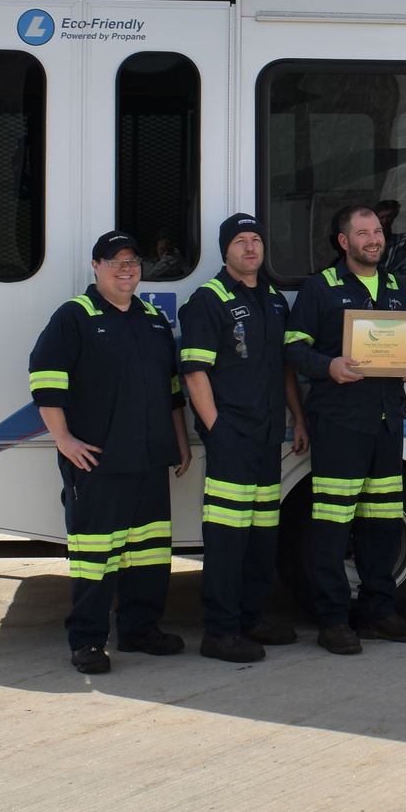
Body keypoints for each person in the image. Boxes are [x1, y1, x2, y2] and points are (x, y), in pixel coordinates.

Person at [27, 230, 192, 674]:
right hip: (98, 463)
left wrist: (178, 441)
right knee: (94, 557)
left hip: (151, 459)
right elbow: (46, 380)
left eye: (133, 261)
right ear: (96, 267)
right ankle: (87, 641)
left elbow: (172, 390)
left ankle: (140, 630)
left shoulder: (154, 319)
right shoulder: (74, 316)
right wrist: (64, 440)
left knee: (150, 554)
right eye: (115, 261)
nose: (126, 269)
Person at [284, 205, 406, 655]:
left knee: (383, 523)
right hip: (340, 424)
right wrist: (327, 365)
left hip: (387, 420)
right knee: (332, 525)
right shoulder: (320, 288)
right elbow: (293, 348)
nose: (374, 239)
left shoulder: (394, 287)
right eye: (363, 233)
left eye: (378, 232)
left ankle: (378, 613)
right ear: (343, 242)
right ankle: (332, 621)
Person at [179, 212, 311, 663]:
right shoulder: (207, 300)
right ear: (226, 250)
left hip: (268, 437)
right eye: (241, 241)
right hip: (232, 436)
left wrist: (299, 417)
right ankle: (219, 631)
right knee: (226, 538)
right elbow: (194, 371)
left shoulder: (274, 300)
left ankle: (249, 618)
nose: (251, 248)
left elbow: (285, 367)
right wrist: (217, 427)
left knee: (261, 536)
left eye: (256, 239)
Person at [374, 199, 406, 276]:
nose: (385, 221)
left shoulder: (403, 241)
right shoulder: (369, 242)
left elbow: (400, 268)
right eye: (382, 217)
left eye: (389, 217)